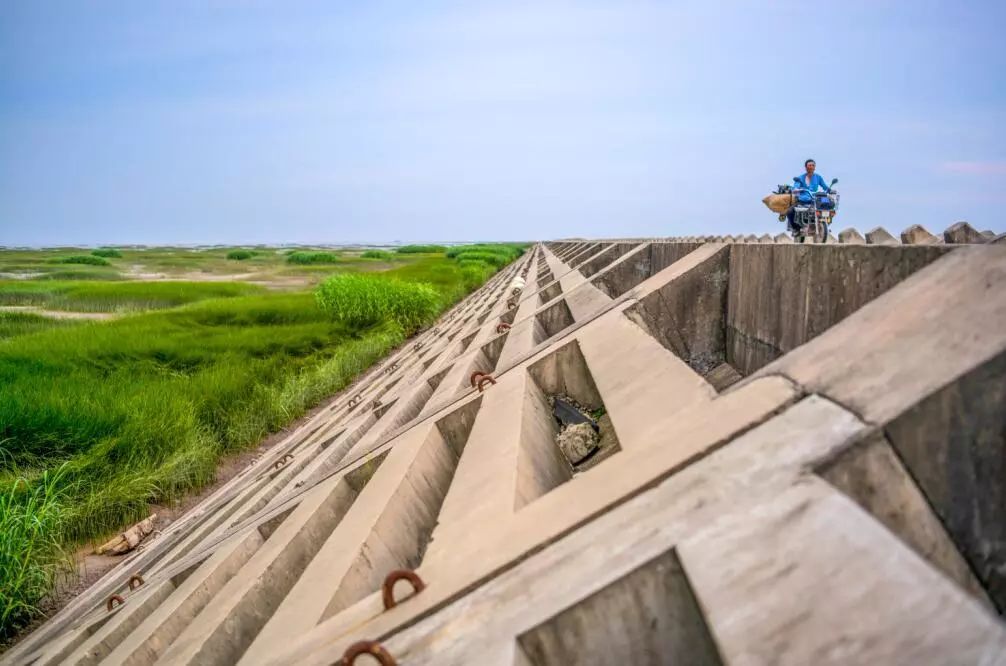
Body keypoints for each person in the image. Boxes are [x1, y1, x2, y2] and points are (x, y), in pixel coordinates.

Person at [787, 159, 832, 232]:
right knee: (790, 211)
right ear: (806, 167)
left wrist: (829, 189)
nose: (811, 167)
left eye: (813, 165)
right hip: (802, 200)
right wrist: (796, 189)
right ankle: (796, 228)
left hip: (814, 200)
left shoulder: (818, 177)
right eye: (809, 165)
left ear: (815, 167)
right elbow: (796, 185)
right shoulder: (800, 178)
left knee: (829, 204)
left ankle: (824, 224)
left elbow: (824, 186)